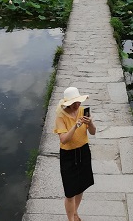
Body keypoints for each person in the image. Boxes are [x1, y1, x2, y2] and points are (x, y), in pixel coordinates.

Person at [54, 87, 96, 221]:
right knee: (70, 191)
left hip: (83, 151)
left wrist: (90, 123)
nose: (77, 105)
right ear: (68, 104)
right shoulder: (61, 116)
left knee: (81, 186)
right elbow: (64, 140)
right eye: (74, 103)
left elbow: (93, 132)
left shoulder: (83, 111)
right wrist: (75, 126)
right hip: (69, 155)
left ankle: (75, 212)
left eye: (78, 102)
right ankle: (70, 219)